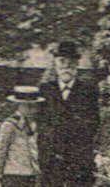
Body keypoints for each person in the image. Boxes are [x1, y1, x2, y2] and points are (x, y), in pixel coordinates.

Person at [35, 40, 99, 187]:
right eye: (62, 61)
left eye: (71, 62)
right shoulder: (45, 90)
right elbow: (41, 122)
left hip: (78, 157)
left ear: (77, 65)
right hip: (51, 157)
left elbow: (93, 123)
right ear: (55, 64)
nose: (66, 66)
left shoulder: (88, 91)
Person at [0, 85, 44, 187]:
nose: (33, 110)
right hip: (14, 175)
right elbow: (0, 151)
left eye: (34, 106)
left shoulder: (33, 124)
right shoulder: (10, 125)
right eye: (28, 106)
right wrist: (0, 173)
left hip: (32, 175)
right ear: (19, 106)